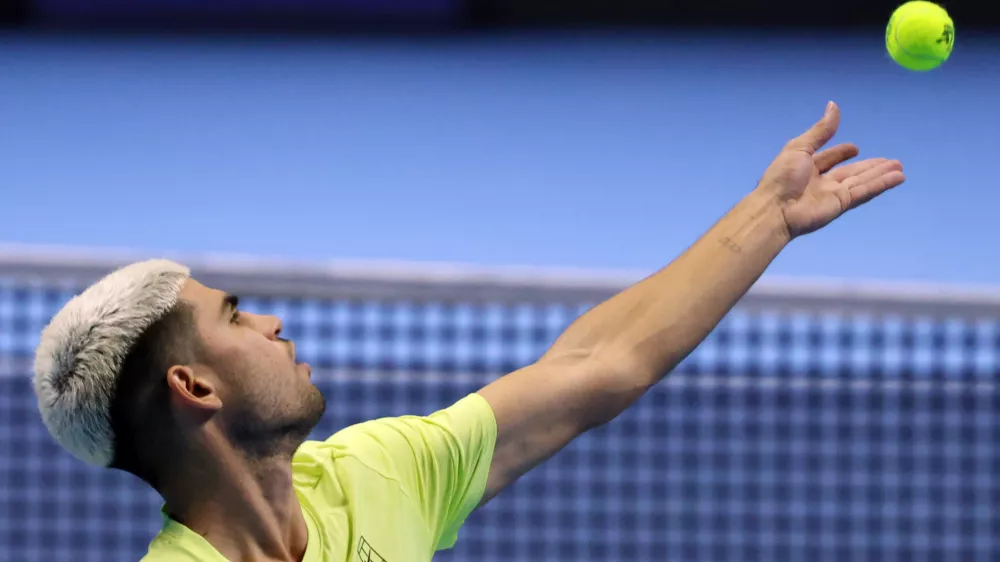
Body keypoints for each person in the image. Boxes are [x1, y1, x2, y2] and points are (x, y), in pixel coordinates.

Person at [33, 102, 903, 562]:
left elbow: (600, 363)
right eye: (232, 316)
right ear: (194, 388)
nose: (271, 320)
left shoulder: (371, 477)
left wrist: (768, 217)